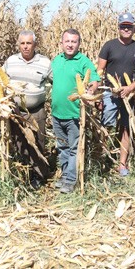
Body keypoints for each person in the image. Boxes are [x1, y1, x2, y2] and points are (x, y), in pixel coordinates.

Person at [96, 13, 135, 177]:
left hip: (129, 95)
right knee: (105, 126)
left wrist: (130, 88)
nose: (126, 29)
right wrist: (98, 94)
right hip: (110, 93)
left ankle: (122, 164)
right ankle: (102, 159)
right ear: (118, 28)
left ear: (134, 28)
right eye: (123, 26)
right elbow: (99, 71)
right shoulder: (109, 46)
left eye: (129, 26)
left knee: (126, 128)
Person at [51, 29, 100, 194]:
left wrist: (91, 91)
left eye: (74, 41)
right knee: (62, 147)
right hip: (57, 113)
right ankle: (65, 176)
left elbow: (94, 80)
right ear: (62, 43)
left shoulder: (83, 61)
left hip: (74, 114)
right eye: (67, 41)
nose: (70, 45)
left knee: (73, 148)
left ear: (79, 44)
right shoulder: (56, 60)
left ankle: (71, 180)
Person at [3, 30, 52, 189]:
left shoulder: (45, 62)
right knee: (19, 143)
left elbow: (56, 80)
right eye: (22, 43)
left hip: (35, 110)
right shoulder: (11, 61)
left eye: (29, 43)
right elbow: (1, 80)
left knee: (37, 142)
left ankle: (39, 176)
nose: (25, 46)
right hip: (15, 110)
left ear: (35, 45)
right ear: (18, 44)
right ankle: (23, 174)